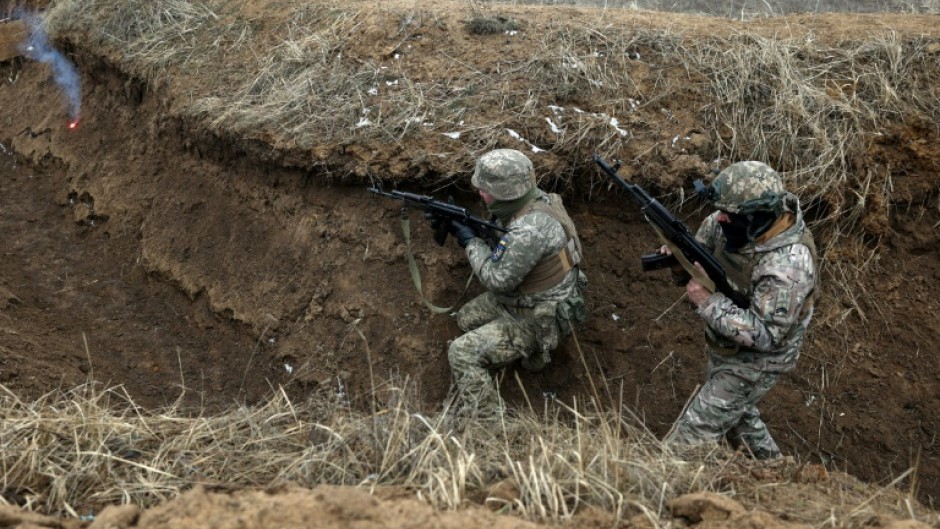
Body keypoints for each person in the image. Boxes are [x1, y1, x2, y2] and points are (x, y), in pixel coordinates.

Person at [664, 161, 817, 459]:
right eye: (720, 209)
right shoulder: (730, 221)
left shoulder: (789, 265)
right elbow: (698, 262)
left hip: (762, 358)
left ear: (757, 217)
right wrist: (680, 262)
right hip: (728, 341)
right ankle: (778, 474)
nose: (718, 218)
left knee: (688, 440)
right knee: (737, 418)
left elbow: (765, 336)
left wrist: (708, 302)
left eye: (729, 215)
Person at [443, 148, 587, 419]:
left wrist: (469, 240)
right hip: (530, 298)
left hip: (536, 318)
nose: (480, 194)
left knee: (461, 352)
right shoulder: (536, 201)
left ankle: (490, 423)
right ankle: (497, 368)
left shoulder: (530, 230)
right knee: (465, 319)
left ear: (506, 191)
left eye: (485, 189)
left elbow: (497, 280)